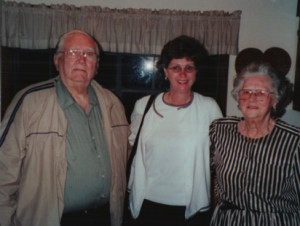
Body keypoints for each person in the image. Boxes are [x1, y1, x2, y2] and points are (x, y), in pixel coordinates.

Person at [0, 29, 129, 226]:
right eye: (73, 52)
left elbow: (124, 159)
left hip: (104, 218)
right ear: (57, 60)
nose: (81, 59)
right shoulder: (30, 102)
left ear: (97, 66)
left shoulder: (114, 105)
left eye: (89, 54)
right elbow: (4, 173)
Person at [126, 35, 223, 226]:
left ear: (196, 72)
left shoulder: (209, 108)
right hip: (147, 204)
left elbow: (221, 155)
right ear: (165, 71)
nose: (183, 74)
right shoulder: (143, 106)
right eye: (176, 68)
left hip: (191, 208)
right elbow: (132, 148)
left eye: (189, 68)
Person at [209, 63, 300, 225]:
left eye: (261, 93)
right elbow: (207, 173)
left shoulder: (294, 141)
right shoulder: (220, 129)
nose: (252, 98)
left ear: (275, 100)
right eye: (246, 92)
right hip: (227, 221)